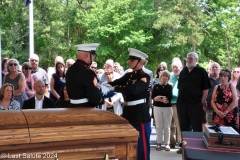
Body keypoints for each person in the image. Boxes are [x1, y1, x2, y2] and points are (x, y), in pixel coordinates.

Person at [108, 48, 151, 160]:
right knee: (129, 146)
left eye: (132, 60)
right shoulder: (129, 75)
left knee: (142, 148)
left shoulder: (144, 76)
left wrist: (114, 88)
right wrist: (105, 86)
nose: (129, 62)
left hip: (139, 115)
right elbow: (115, 82)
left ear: (140, 62)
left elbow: (132, 90)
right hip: (128, 114)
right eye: (130, 60)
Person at [177, 52, 211, 132]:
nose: (189, 60)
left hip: (196, 104)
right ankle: (184, 144)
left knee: (197, 127)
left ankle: (197, 144)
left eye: (191, 58)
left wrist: (203, 101)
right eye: (188, 58)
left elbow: (206, 88)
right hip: (182, 104)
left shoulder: (201, 71)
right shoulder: (183, 71)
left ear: (196, 60)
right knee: (183, 127)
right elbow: (180, 88)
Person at [66, 43, 107, 107]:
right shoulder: (88, 73)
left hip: (72, 108)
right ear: (87, 55)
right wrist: (101, 99)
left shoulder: (70, 70)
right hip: (86, 110)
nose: (94, 58)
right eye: (93, 55)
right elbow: (95, 98)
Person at [152, 70, 173, 151]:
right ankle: (158, 143)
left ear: (168, 78)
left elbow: (169, 97)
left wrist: (158, 98)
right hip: (157, 108)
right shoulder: (156, 86)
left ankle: (167, 143)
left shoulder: (170, 86)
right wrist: (161, 99)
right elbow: (153, 97)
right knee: (158, 126)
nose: (164, 77)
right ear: (160, 77)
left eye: (166, 76)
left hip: (167, 108)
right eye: (163, 76)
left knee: (167, 126)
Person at [169, 58, 182, 149]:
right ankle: (171, 142)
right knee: (170, 125)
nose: (175, 69)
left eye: (177, 67)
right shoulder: (169, 76)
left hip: (178, 104)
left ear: (181, 67)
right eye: (174, 67)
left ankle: (181, 143)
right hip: (168, 104)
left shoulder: (184, 77)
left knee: (179, 125)